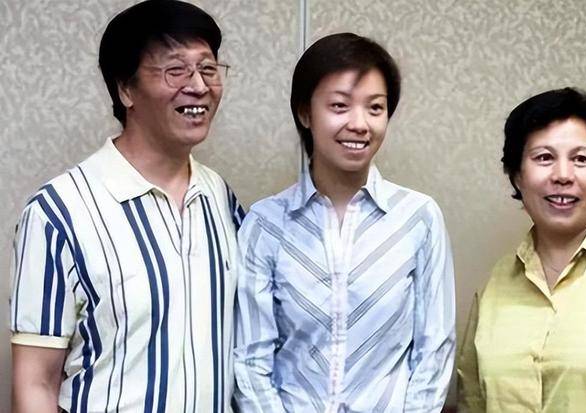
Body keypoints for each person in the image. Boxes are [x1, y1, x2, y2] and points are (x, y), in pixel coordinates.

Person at [9, 1, 244, 412]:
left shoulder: (220, 197)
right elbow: (35, 382)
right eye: (176, 70)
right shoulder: (57, 213)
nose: (198, 86)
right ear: (126, 89)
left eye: (208, 69)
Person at [233, 32, 456, 412]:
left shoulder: (418, 217)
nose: (360, 124)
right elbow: (251, 359)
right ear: (305, 113)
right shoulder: (266, 224)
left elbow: (434, 350)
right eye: (339, 106)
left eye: (375, 108)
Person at [457, 87, 586, 412]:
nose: (563, 175)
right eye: (544, 158)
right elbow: (472, 402)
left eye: (581, 159)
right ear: (517, 175)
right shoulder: (497, 283)